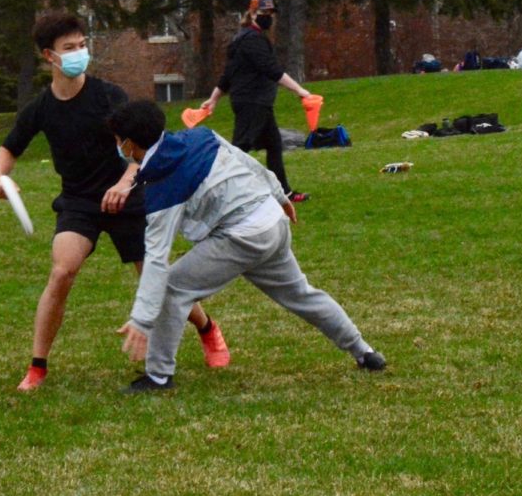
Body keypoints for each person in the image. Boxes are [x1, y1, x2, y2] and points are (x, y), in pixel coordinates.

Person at [0, 12, 228, 392]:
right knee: (61, 271)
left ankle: (207, 328)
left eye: (82, 45)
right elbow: (8, 150)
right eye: (70, 48)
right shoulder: (40, 108)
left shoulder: (108, 96)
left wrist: (124, 182)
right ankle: (37, 367)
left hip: (126, 196)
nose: (79, 53)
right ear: (49, 56)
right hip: (79, 201)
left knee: (152, 275)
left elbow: (143, 152)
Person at [110, 100, 387, 393]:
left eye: (118, 141)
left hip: (243, 235)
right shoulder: (201, 136)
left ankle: (158, 377)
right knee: (302, 294)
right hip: (271, 220)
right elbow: (247, 162)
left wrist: (141, 319)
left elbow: (155, 258)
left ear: (129, 145)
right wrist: (280, 196)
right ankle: (365, 352)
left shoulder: (162, 188)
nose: (118, 148)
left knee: (172, 287)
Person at [202, 0, 311, 204]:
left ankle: (283, 193)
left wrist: (213, 99)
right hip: (252, 101)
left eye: (270, 13)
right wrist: (300, 90)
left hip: (256, 101)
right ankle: (217, 194)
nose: (268, 17)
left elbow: (228, 74)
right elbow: (272, 69)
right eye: (263, 13)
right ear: (252, 14)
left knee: (274, 145)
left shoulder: (242, 39)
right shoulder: (252, 40)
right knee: (239, 149)